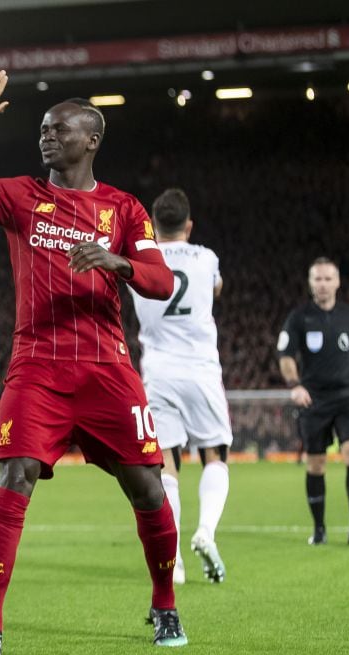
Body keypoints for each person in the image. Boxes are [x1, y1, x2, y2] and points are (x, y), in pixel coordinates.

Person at [0, 71, 185, 655]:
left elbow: (162, 281)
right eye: (42, 129)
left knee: (146, 486)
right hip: (37, 365)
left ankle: (165, 603)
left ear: (91, 139)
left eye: (59, 129)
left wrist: (116, 263)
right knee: (15, 478)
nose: (46, 136)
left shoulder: (123, 208)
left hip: (106, 367)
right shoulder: (19, 196)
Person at [128, 189, 231, 585]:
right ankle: (205, 531)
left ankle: (174, 563)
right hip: (201, 369)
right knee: (214, 455)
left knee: (166, 465)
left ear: (154, 225)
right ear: (189, 226)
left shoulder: (142, 258)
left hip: (158, 372)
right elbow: (216, 289)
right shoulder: (206, 258)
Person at [277, 257, 349, 546]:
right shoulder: (299, 317)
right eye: (318, 279)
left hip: (347, 398)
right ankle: (319, 529)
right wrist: (295, 385)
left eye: (328, 279)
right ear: (310, 283)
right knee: (316, 465)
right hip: (313, 400)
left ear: (338, 282)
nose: (323, 284)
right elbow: (286, 357)